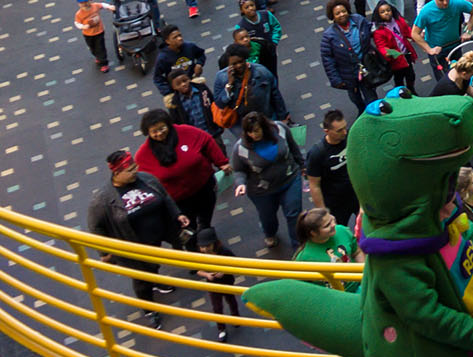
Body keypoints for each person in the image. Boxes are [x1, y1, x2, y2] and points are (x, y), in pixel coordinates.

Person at [87, 149, 188, 326]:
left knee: (152, 265)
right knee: (141, 278)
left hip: (156, 236)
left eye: (135, 167)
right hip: (132, 246)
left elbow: (165, 198)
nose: (136, 171)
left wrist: (177, 215)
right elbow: (95, 226)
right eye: (131, 170)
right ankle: (149, 309)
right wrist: (104, 252)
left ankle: (155, 281)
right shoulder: (102, 200)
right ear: (117, 173)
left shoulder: (146, 179)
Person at [134, 108, 227, 233]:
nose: (159, 133)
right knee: (188, 227)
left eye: (162, 128)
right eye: (154, 131)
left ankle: (206, 231)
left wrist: (221, 162)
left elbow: (207, 141)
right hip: (178, 201)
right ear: (147, 133)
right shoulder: (143, 155)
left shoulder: (186, 132)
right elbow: (140, 180)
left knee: (206, 216)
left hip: (204, 187)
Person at [231, 110, 305, 252]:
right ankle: (270, 233)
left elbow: (293, 147)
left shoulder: (281, 129)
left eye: (257, 130)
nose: (254, 135)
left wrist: (303, 166)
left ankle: (299, 248)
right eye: (250, 132)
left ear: (264, 126)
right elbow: (239, 170)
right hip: (262, 191)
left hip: (289, 179)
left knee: (294, 214)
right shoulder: (240, 148)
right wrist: (240, 184)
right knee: (268, 218)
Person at [319, 0, 378, 115]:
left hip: (366, 67)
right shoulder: (329, 35)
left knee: (371, 96)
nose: (342, 14)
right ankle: (361, 109)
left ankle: (374, 115)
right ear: (332, 16)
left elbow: (371, 30)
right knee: (354, 96)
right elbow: (327, 60)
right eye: (337, 13)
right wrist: (336, 80)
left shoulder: (359, 20)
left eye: (343, 11)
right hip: (348, 73)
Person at [414, 0, 473, 78]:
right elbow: (414, 33)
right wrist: (429, 49)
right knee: (444, 78)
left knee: (461, 75)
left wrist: (468, 31)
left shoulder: (456, 2)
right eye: (441, 0)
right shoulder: (426, 11)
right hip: (437, 50)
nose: (445, 3)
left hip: (455, 45)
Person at [293, 207, 357, 289]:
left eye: (332, 219)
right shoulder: (304, 258)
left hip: (357, 285)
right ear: (313, 233)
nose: (333, 225)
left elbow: (357, 252)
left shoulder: (342, 231)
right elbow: (300, 286)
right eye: (327, 225)